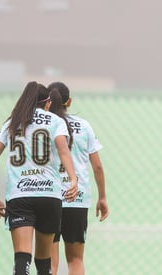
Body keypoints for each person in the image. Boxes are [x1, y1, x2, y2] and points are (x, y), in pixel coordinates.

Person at [0, 81, 78, 275]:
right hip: (49, 195)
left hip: (20, 195)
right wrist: (73, 179)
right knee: (44, 262)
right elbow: (63, 150)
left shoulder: (13, 122)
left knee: (22, 257)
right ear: (47, 103)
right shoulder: (55, 121)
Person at [48, 82, 109, 275]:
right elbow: (97, 166)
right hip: (78, 199)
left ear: (47, 101)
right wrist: (102, 197)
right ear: (69, 101)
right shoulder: (84, 126)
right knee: (75, 260)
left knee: (50, 263)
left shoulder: (45, 124)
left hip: (50, 196)